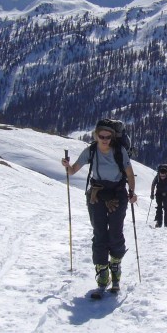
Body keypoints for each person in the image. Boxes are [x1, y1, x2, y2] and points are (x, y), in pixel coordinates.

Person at [61, 120, 137, 293]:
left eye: (108, 136)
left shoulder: (119, 151)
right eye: (101, 136)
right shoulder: (91, 151)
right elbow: (73, 170)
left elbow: (130, 174)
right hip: (97, 194)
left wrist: (131, 192)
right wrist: (67, 166)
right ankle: (103, 272)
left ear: (112, 137)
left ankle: (114, 269)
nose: (104, 139)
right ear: (95, 135)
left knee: (115, 232)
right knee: (100, 233)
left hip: (116, 193)